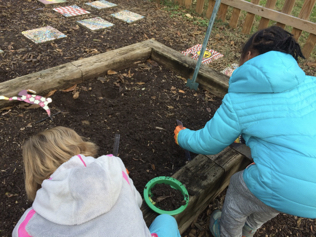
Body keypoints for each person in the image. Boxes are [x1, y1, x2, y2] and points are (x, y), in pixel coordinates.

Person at [174, 25, 316, 237]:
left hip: (281, 185)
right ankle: (251, 227)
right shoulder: (311, 83)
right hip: (309, 196)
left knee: (240, 192)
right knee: (272, 203)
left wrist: (182, 136)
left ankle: (228, 232)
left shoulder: (239, 99)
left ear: (249, 55)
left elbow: (209, 142)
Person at [13, 126, 181, 237]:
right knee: (167, 221)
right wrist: (120, 177)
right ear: (78, 145)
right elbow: (137, 202)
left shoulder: (27, 227)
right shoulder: (113, 167)